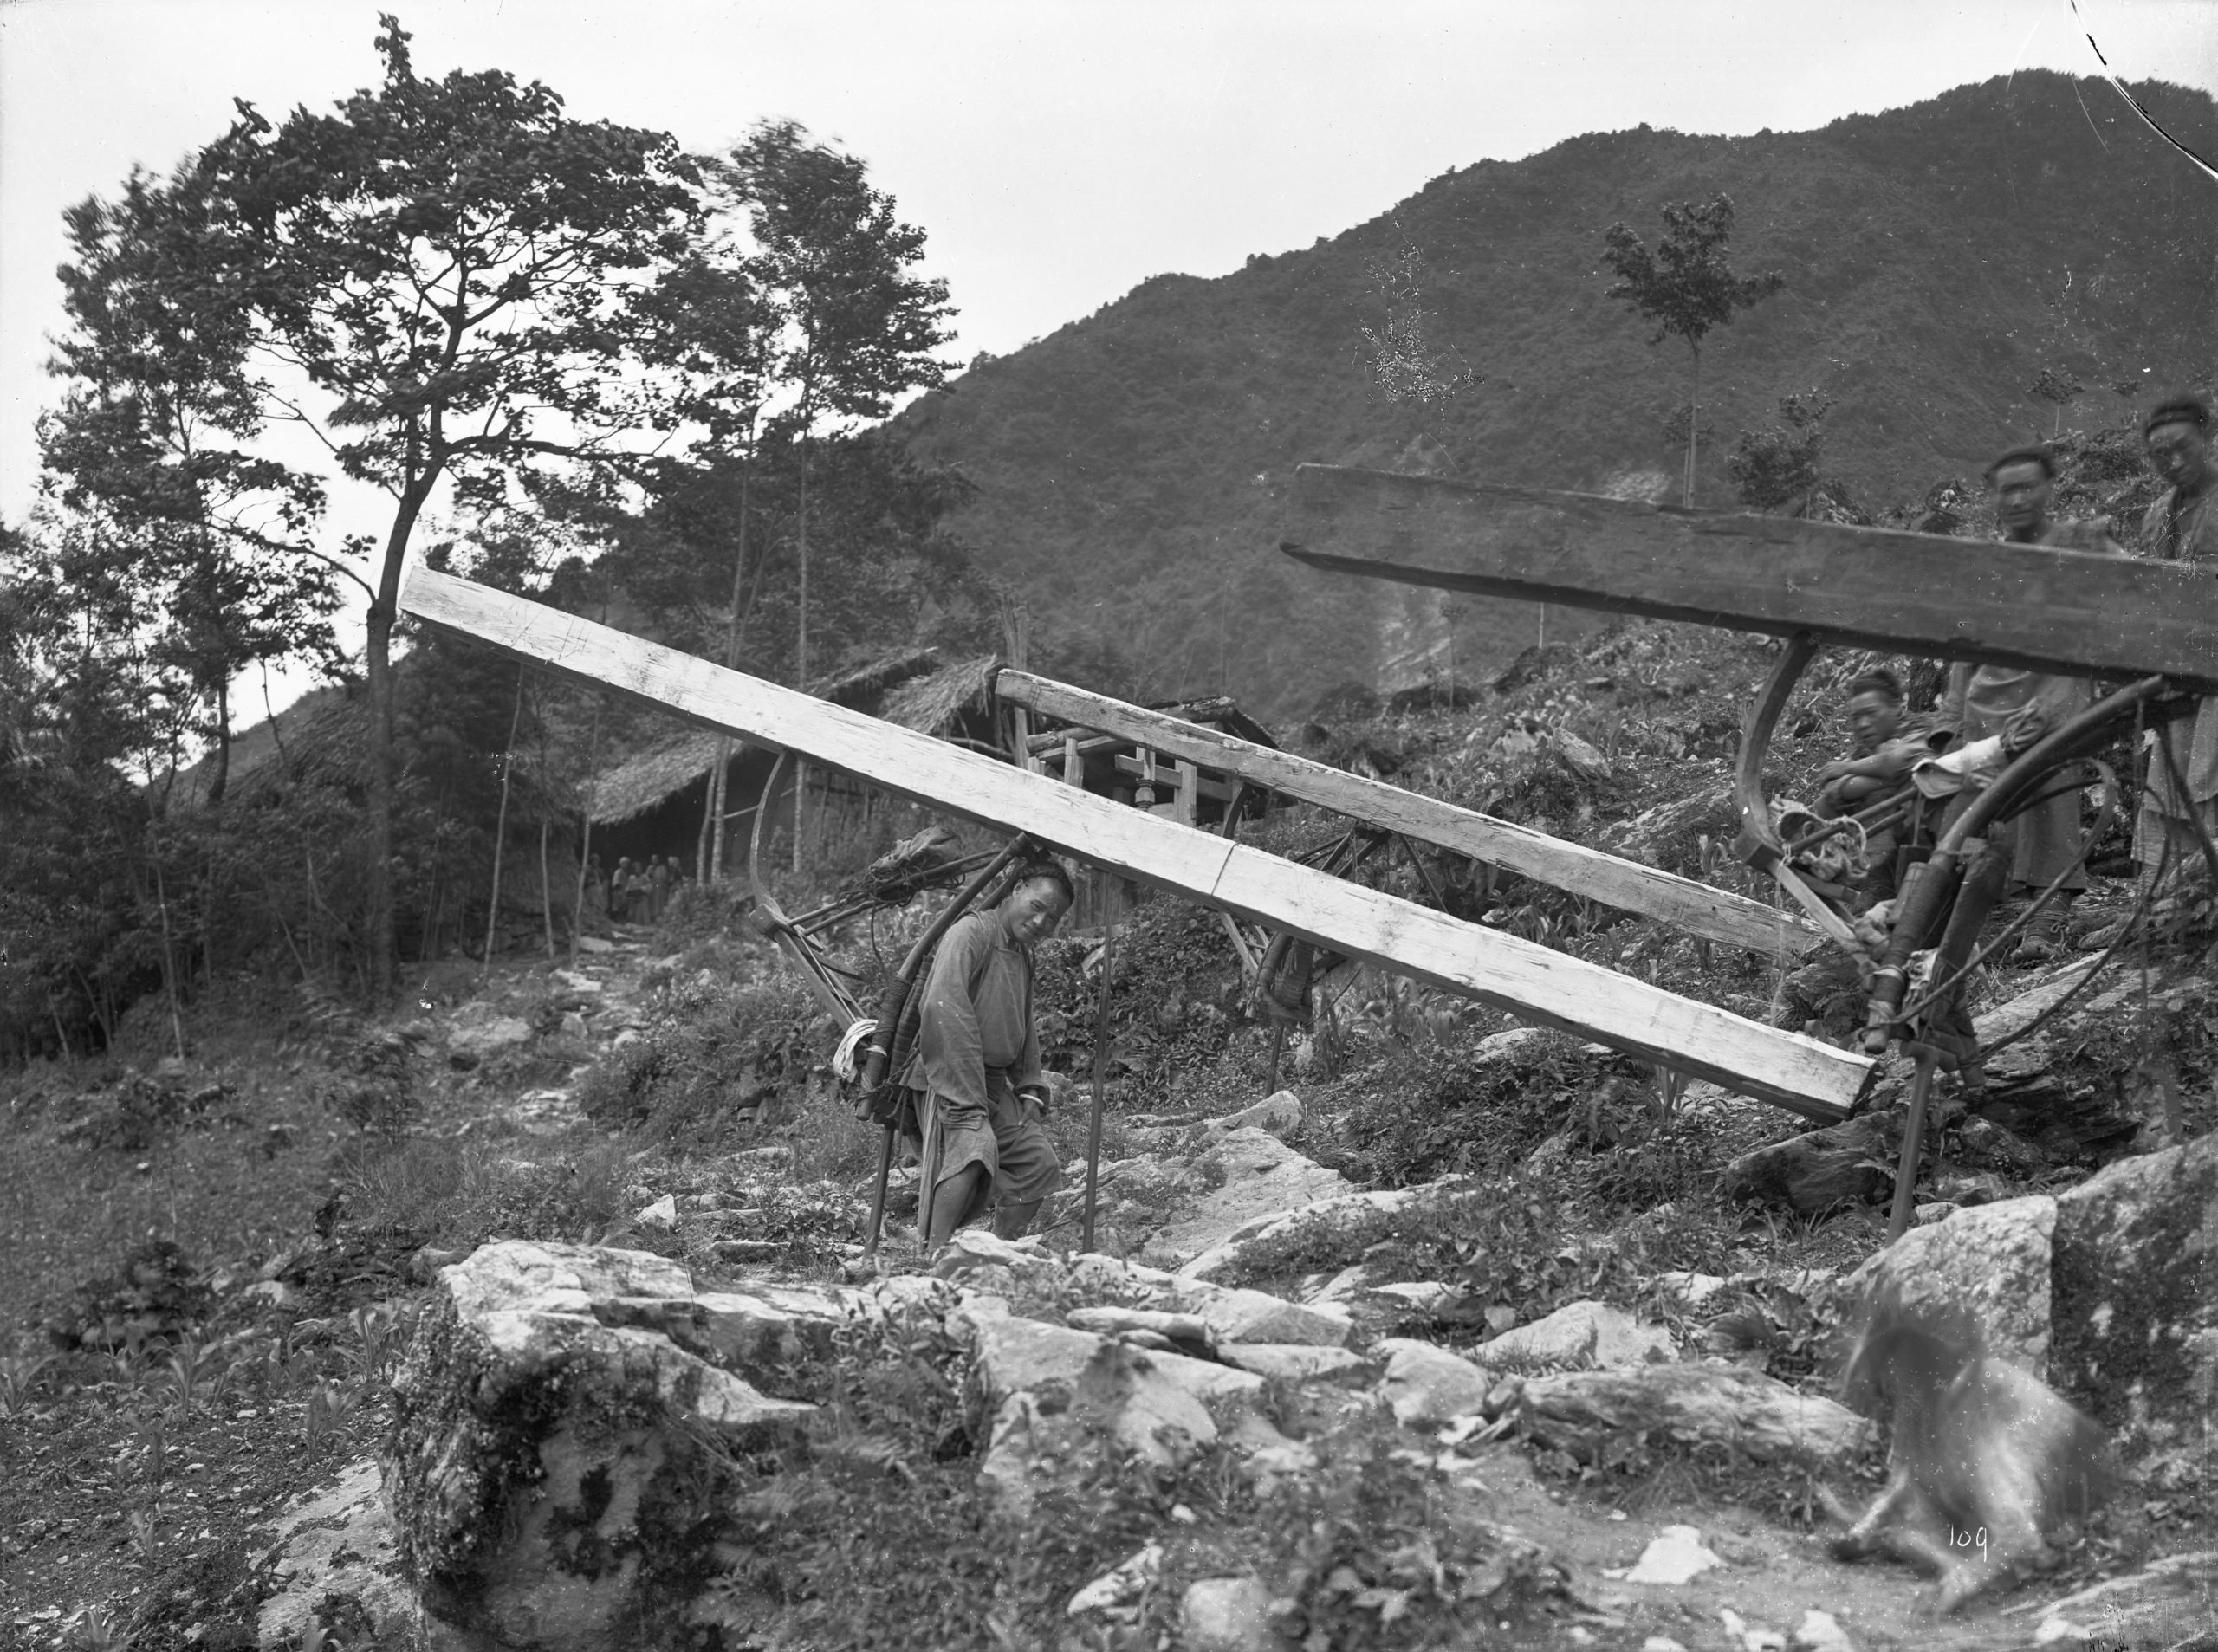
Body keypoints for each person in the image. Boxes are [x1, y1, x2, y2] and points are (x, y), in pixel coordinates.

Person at [1942, 444, 2121, 956]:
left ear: (2048, 490)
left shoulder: (2078, 544)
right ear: (1994, 498)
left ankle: (2046, 918)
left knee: (2050, 793)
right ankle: (1992, 917)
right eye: (2007, 489)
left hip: (2057, 694)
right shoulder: (1992, 562)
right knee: (1983, 808)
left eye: (2029, 486)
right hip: (1990, 702)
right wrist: (1953, 713)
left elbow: (2133, 587)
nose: (2018, 498)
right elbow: (1966, 644)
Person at [900, 858, 1072, 1250]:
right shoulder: (971, 932)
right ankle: (931, 1253)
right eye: (1037, 906)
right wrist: (964, 1091)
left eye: (1053, 918)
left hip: (995, 1083)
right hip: (948, 1075)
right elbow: (943, 1007)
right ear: (1016, 890)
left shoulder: (1024, 955)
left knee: (1037, 1165)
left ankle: (995, 1248)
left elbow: (1024, 1024)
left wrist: (1030, 1086)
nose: (1041, 922)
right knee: (974, 1149)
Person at [2132, 396, 2218, 887]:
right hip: (2179, 668)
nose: (2175, 462)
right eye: (2161, 456)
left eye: (2184, 448)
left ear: (2208, 439)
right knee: (2171, 779)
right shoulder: (2159, 515)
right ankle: (2166, 900)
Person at [1813, 669, 1951, 904]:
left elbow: (1902, 760)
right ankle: (1876, 881)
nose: (1863, 724)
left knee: (1899, 769)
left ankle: (1896, 883)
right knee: (1824, 806)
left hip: (1938, 838)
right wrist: (1885, 776)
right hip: (1887, 850)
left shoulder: (1929, 728)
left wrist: (1851, 770)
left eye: (1871, 713)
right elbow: (1832, 791)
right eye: (1856, 718)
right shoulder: (1860, 752)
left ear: (1897, 708)